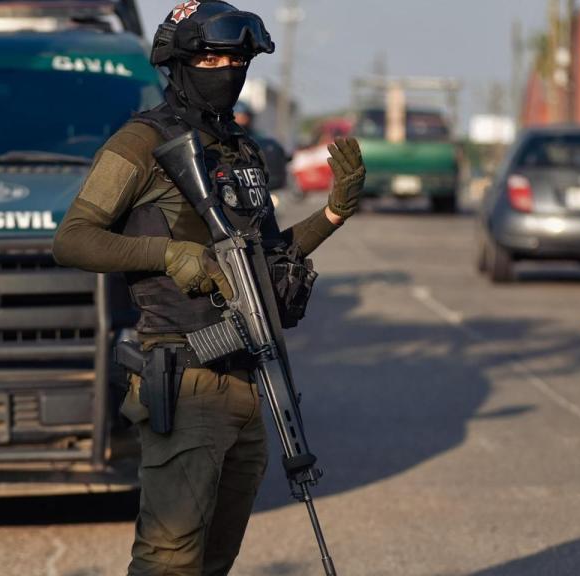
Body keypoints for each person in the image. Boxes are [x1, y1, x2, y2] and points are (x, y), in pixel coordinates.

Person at [52, 1, 365, 574]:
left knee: (215, 561)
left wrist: (334, 214)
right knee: (169, 561)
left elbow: (269, 259)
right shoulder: (141, 144)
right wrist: (168, 255)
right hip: (185, 378)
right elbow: (73, 239)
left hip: (249, 382)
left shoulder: (240, 150)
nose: (226, 68)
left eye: (237, 58)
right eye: (211, 56)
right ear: (180, 63)